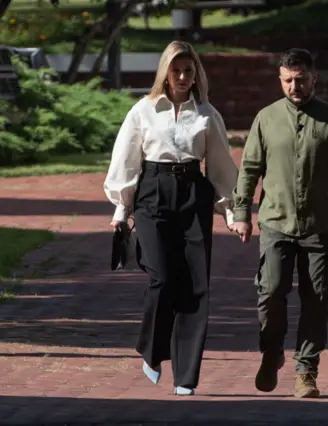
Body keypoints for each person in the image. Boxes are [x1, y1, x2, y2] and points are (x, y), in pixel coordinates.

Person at [229, 48, 328, 398]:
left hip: (319, 223)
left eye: (301, 79)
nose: (295, 86)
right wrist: (242, 212)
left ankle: (306, 370)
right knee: (271, 291)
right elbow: (249, 168)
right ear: (280, 79)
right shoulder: (266, 118)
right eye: (289, 80)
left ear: (313, 78)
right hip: (275, 221)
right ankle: (271, 351)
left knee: (316, 298)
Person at [103, 40, 238, 396]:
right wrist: (121, 211)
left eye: (188, 71)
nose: (181, 76)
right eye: (175, 70)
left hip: (193, 193)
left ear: (196, 75)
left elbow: (222, 167)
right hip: (152, 193)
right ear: (165, 72)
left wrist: (232, 212)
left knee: (196, 285)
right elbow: (127, 161)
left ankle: (185, 377)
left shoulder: (207, 113)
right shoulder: (143, 110)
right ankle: (152, 350)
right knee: (162, 276)